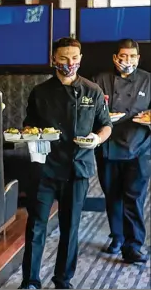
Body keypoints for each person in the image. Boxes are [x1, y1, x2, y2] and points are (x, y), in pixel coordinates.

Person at [19, 38, 112, 289]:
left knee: (70, 228)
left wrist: (96, 139)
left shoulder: (92, 91)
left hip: (77, 167)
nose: (69, 64)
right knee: (36, 225)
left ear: (80, 59)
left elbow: (106, 125)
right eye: (63, 59)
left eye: (74, 58)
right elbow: (29, 124)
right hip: (44, 167)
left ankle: (63, 280)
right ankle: (30, 281)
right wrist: (29, 132)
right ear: (53, 60)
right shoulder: (40, 92)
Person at [92, 39, 150, 263]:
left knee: (134, 197)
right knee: (113, 195)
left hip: (140, 146)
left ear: (138, 58)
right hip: (108, 145)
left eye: (132, 56)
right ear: (115, 57)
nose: (127, 61)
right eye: (123, 56)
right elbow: (92, 111)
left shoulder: (148, 80)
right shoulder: (99, 80)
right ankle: (117, 236)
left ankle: (134, 244)